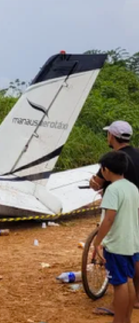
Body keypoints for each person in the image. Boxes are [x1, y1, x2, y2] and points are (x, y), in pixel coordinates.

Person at [89, 121, 139, 317]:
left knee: (119, 282)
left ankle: (117, 312)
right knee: (131, 271)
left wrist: (98, 241)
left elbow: (109, 219)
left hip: (117, 236)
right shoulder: (132, 184)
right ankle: (134, 303)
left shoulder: (112, 166)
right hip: (132, 228)